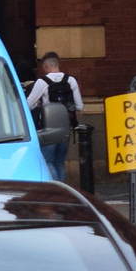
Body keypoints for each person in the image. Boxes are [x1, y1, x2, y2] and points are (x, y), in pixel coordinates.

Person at [26, 51, 82, 181]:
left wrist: (38, 106)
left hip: (48, 126)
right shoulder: (71, 80)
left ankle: (56, 191)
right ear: (58, 64)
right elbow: (79, 106)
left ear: (45, 66)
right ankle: (63, 192)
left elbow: (29, 104)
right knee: (59, 162)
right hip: (66, 126)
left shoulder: (42, 82)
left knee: (48, 161)